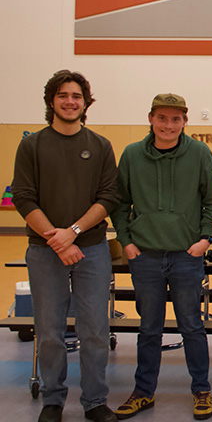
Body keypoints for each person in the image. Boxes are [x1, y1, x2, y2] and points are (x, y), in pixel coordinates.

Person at [12, 70, 120, 422]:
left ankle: (95, 402)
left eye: (76, 95)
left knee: (94, 331)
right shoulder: (32, 145)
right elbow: (24, 198)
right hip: (44, 252)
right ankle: (53, 400)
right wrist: (57, 241)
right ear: (51, 101)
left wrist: (72, 232)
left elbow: (108, 197)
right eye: (63, 95)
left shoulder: (101, 145)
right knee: (49, 332)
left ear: (85, 102)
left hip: (91, 250)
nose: (70, 101)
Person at [111, 94, 212, 420]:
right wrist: (127, 241)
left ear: (185, 122)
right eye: (162, 118)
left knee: (192, 326)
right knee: (149, 329)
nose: (168, 125)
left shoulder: (200, 153)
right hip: (144, 256)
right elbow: (119, 203)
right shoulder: (131, 155)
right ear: (151, 119)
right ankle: (143, 392)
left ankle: (201, 389)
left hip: (186, 256)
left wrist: (204, 238)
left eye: (176, 119)